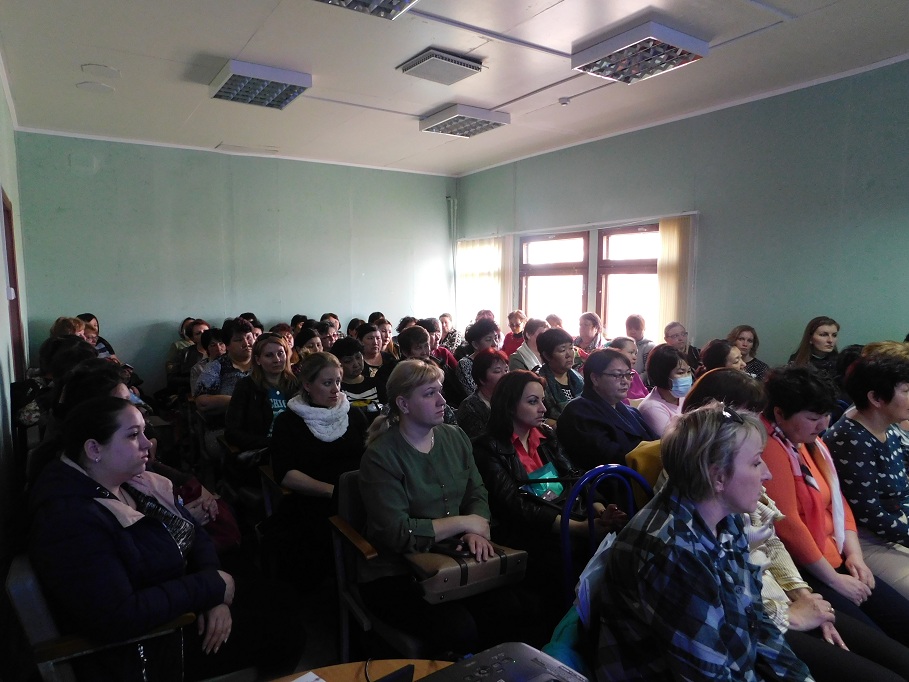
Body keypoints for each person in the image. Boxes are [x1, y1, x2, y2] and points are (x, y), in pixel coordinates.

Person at [27, 397, 298, 681]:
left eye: (144, 432)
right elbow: (119, 616)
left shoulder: (126, 482)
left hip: (177, 601)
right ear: (94, 449)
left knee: (280, 596)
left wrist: (213, 593)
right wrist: (209, 587)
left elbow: (192, 530)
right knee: (284, 631)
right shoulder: (69, 521)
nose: (147, 443)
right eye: (133, 435)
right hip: (150, 648)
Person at [681, 368, 909, 682]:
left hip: (804, 578)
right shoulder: (687, 524)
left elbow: (771, 539)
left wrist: (805, 594)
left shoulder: (796, 447)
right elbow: (724, 614)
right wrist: (791, 613)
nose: (766, 473)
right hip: (781, 602)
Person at [596, 403, 812, 681]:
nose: (767, 473)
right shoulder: (673, 554)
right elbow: (708, 675)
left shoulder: (726, 516)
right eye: (756, 462)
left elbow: (754, 618)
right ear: (718, 477)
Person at [358, 360, 538, 656]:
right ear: (403, 404)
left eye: (440, 391)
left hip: (455, 555)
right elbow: (395, 533)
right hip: (396, 570)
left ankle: (494, 672)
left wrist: (476, 530)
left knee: (512, 608)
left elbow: (476, 491)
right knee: (458, 628)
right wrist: (464, 523)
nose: (442, 400)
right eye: (430, 394)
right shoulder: (381, 456)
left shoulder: (454, 437)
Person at [762, 365, 909, 646]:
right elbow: (787, 524)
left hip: (837, 553)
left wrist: (855, 556)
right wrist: (833, 580)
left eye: (826, 415)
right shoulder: (771, 447)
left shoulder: (810, 442)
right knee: (882, 644)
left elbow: (837, 500)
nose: (823, 425)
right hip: (807, 569)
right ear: (779, 413)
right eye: (813, 418)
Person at [472, 370, 626, 627]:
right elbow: (515, 506)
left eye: (542, 400)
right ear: (509, 405)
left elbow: (573, 476)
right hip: (528, 531)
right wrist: (579, 528)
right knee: (570, 556)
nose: (543, 408)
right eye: (533, 401)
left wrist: (599, 510)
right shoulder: (488, 448)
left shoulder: (545, 434)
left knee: (618, 540)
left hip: (566, 515)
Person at [269, 352, 368, 582]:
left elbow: (369, 459)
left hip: (358, 495)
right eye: (327, 383)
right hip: (313, 500)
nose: (336, 389)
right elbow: (286, 473)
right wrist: (333, 491)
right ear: (307, 385)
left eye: (338, 382)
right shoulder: (288, 421)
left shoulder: (353, 415)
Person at [828, 349, 909, 599]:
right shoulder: (851, 438)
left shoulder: (887, 425)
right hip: (867, 540)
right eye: (907, 391)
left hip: (897, 525)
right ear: (875, 398)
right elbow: (870, 514)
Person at [557, 348, 656, 472]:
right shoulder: (578, 412)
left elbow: (655, 441)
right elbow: (610, 459)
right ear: (595, 378)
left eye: (628, 374)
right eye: (617, 375)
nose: (625, 381)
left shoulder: (630, 411)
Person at [224, 333, 296, 455]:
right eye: (269, 355)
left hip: (294, 448)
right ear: (258, 360)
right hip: (262, 449)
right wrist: (270, 442)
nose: (277, 360)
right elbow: (232, 432)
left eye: (280, 353)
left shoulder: (296, 384)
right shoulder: (246, 386)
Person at [194, 317, 255, 416]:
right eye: (238, 340)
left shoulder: (263, 361)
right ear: (227, 345)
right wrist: (238, 401)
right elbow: (201, 402)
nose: (246, 343)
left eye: (249, 338)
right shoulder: (217, 366)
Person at [637, 343, 692, 436]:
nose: (687, 377)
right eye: (680, 373)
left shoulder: (683, 397)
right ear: (662, 375)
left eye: (689, 371)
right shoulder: (652, 408)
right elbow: (673, 441)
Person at [456, 348, 509, 438]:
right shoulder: (471, 408)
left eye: (506, 370)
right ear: (482, 379)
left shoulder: (509, 398)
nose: (505, 375)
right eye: (497, 371)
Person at [535, 327, 583, 425]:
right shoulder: (538, 382)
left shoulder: (578, 378)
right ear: (547, 355)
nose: (569, 354)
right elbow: (535, 417)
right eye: (562, 350)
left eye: (571, 348)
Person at [329, 336, 380, 417]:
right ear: (338, 364)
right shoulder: (337, 389)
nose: (356, 364)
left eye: (358, 357)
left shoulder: (377, 384)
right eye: (348, 361)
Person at [456, 317, 501, 396]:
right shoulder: (465, 364)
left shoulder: (500, 360)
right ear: (475, 345)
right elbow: (474, 393)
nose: (495, 343)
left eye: (496, 338)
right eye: (488, 339)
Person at [625, 314, 656, 382]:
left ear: (643, 329)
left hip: (640, 383)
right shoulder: (623, 345)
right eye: (629, 328)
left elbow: (648, 371)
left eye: (637, 329)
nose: (633, 332)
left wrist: (634, 381)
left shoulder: (649, 346)